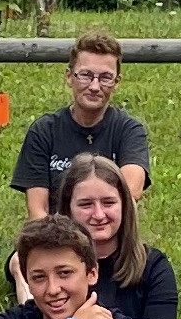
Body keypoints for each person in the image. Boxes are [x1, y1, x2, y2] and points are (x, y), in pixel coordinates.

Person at [12, 29, 150, 220]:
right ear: (69, 77)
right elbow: (37, 211)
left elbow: (130, 194)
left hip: (110, 235)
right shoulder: (44, 131)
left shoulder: (129, 130)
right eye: (85, 75)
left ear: (117, 82)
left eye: (105, 78)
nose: (94, 86)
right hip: (57, 238)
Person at [55, 163, 181, 319]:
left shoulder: (154, 266)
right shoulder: (52, 269)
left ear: (125, 205)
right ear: (67, 209)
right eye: (86, 204)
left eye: (108, 202)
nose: (98, 214)